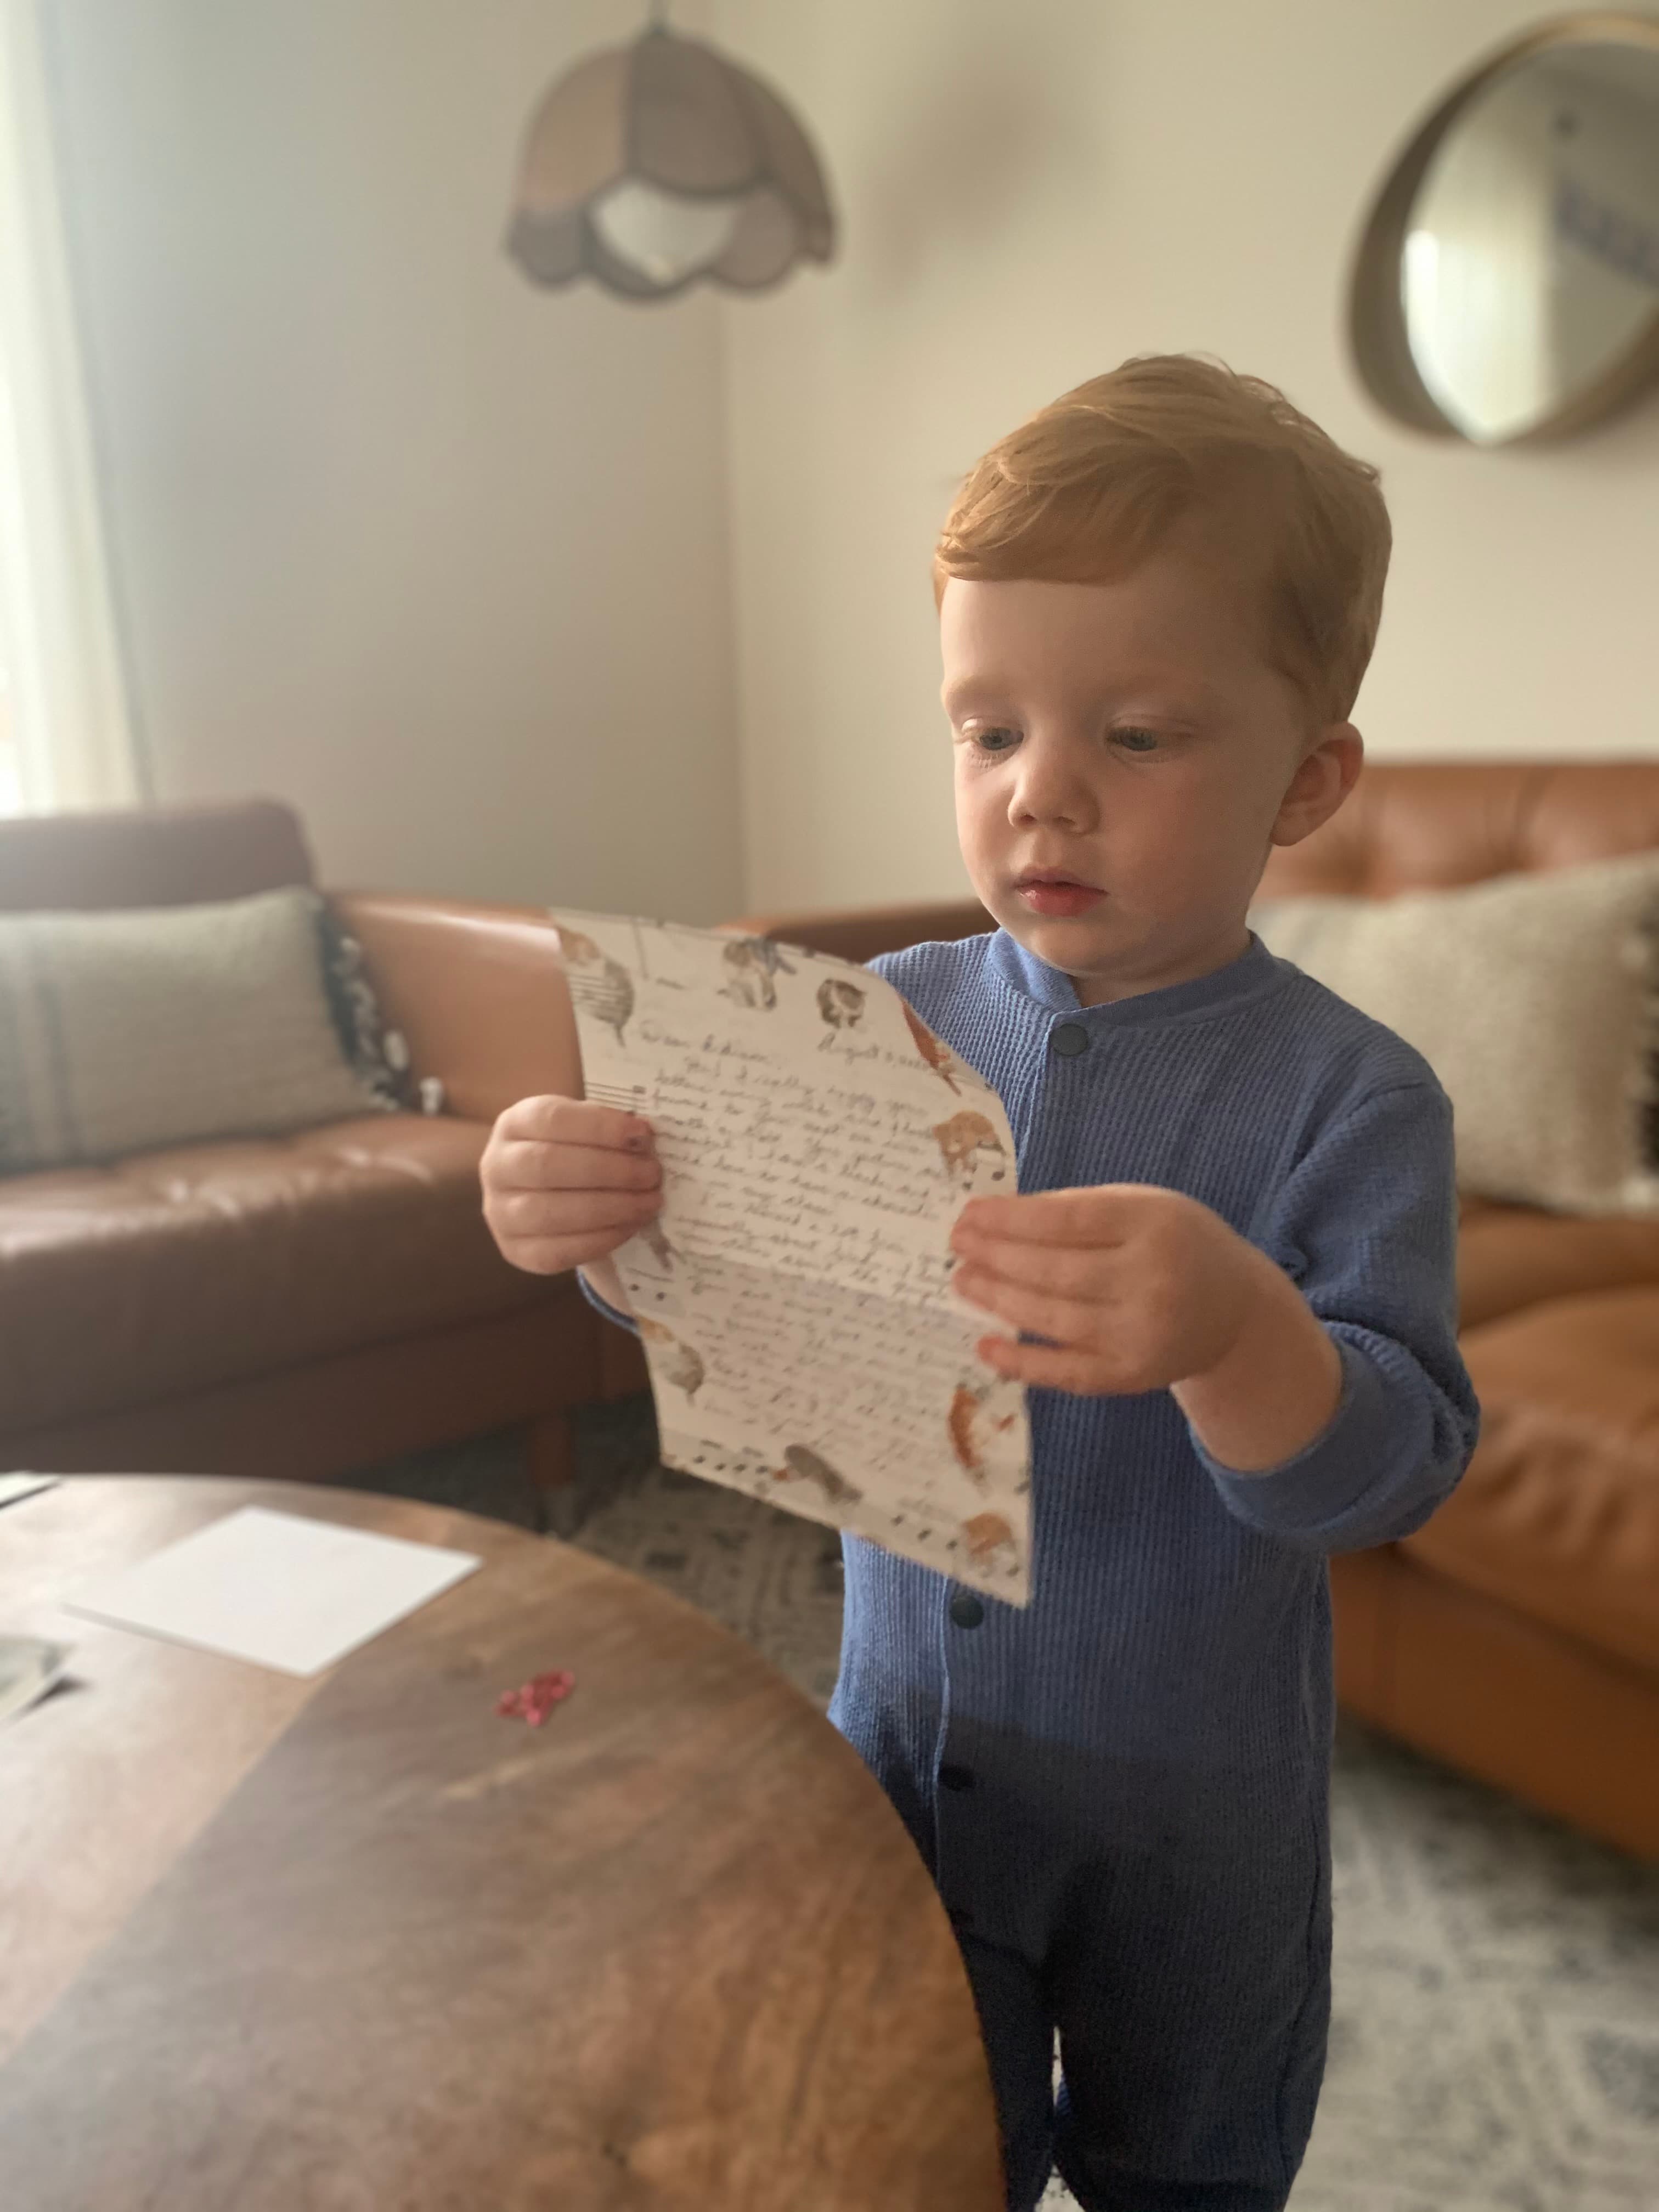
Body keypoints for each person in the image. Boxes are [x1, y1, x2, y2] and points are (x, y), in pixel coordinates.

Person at [479, 355, 1480, 2212]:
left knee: (1192, 2164)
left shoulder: (1354, 1096)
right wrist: (608, 1229)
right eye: (988, 730)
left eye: (1138, 735)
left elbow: (1397, 1464)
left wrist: (1242, 1334)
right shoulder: (885, 1021)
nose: (1044, 797)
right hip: (904, 1751)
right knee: (916, 2138)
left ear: (1307, 780)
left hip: (1196, 1809)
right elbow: (751, 1289)